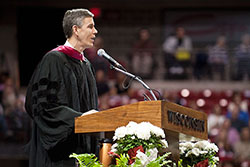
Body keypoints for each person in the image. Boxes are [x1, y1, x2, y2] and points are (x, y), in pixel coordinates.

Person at [25, 9, 99, 167]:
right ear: (76, 30)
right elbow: (41, 107)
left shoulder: (86, 65)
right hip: (58, 155)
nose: (95, 31)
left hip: (84, 152)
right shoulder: (53, 60)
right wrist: (79, 118)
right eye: (90, 26)